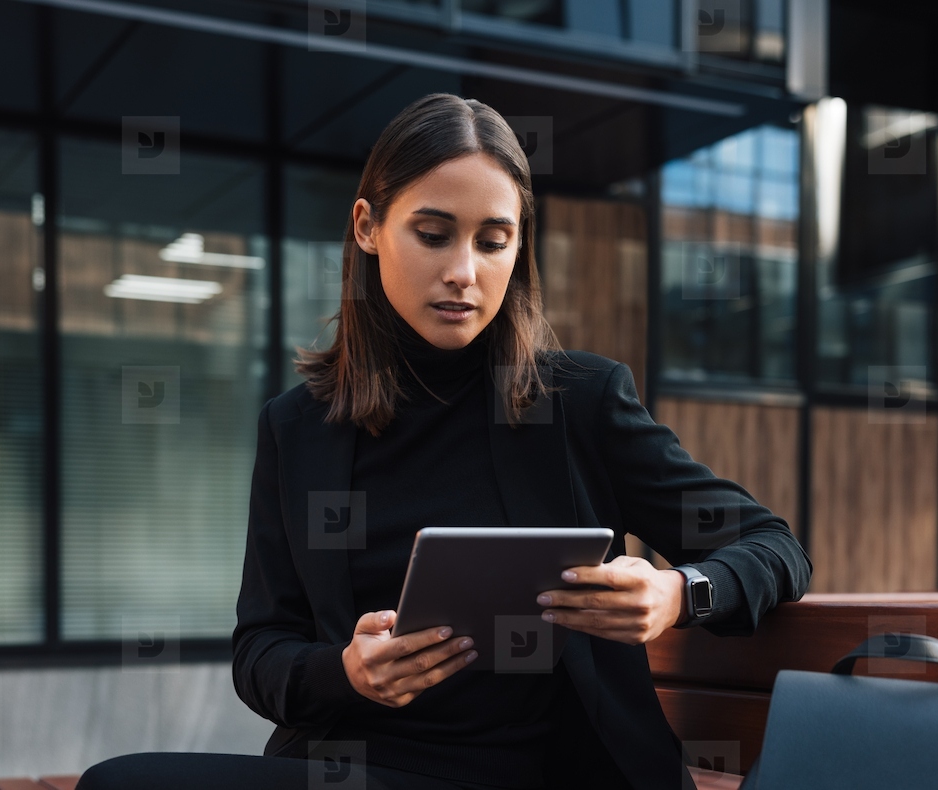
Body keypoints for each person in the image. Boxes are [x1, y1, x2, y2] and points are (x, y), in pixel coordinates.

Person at [76, 92, 812, 790]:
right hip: (359, 766)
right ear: (367, 226)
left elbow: (774, 545)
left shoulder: (578, 402)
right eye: (433, 235)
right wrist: (349, 672)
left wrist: (679, 593)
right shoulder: (297, 427)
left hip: (551, 774)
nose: (464, 272)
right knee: (116, 783)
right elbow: (262, 648)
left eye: (494, 242)